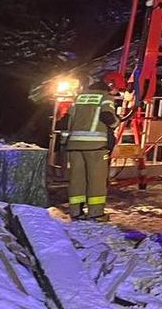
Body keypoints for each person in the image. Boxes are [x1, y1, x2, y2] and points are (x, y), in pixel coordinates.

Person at [55, 72, 121, 220]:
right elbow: (107, 117)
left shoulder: (79, 97)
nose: (116, 92)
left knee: (77, 179)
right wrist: (118, 122)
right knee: (96, 180)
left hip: (74, 146)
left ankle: (76, 211)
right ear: (110, 86)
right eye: (116, 89)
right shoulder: (105, 97)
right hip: (96, 147)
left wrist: (64, 143)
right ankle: (96, 213)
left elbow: (66, 121)